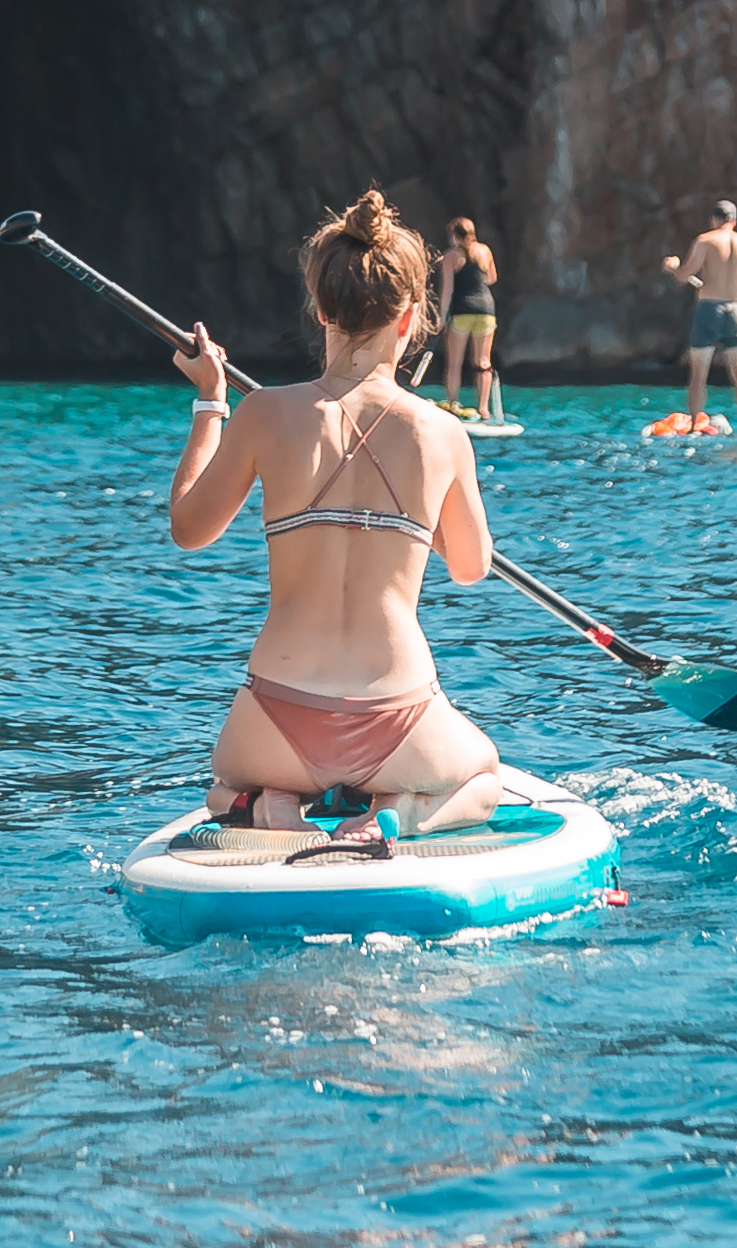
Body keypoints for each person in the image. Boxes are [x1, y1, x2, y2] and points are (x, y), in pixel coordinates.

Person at [165, 190, 556, 834]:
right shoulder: (441, 433)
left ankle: (267, 804)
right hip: (399, 721)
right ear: (410, 318)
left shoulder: (263, 413)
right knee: (485, 778)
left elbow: (188, 529)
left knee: (219, 793)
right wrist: (419, 520)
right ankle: (400, 813)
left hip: (273, 723)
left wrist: (212, 402)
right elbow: (470, 567)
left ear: (321, 308)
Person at [659, 199, 737, 437]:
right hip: (736, 310)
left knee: (699, 373)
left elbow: (685, 275)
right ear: (734, 221)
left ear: (713, 220)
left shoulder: (705, 241)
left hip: (709, 308)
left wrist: (673, 267)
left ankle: (695, 424)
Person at [431, 216, 505, 421]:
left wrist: (441, 318)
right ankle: (484, 409)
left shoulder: (450, 256)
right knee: (483, 362)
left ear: (455, 236)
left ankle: (453, 404)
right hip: (486, 310)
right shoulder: (485, 251)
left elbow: (447, 290)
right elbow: (491, 278)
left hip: (462, 311)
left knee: (455, 362)